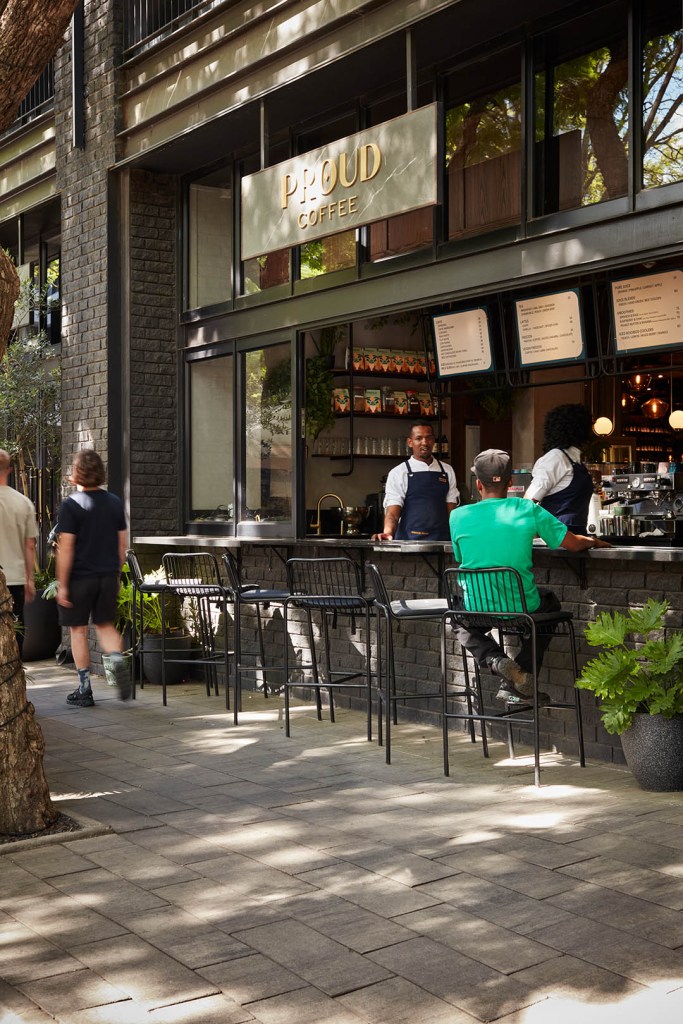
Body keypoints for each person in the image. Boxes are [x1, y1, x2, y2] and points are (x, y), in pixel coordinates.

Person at [450, 448, 610, 705]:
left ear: (478, 483)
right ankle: (517, 679)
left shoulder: (457, 516)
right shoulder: (527, 509)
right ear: (510, 482)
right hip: (521, 608)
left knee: (457, 617)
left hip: (477, 608)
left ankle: (496, 660)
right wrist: (595, 541)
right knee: (550, 606)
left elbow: (460, 555)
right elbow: (572, 543)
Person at [56, 449, 130, 706]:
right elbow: (122, 546)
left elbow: (66, 548)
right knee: (105, 625)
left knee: (78, 630)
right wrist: (117, 576)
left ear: (77, 473)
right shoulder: (114, 503)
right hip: (107, 575)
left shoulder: (71, 505)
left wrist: (63, 585)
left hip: (79, 579)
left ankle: (84, 689)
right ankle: (118, 663)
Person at [377, 422, 459, 541]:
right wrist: (387, 532)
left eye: (429, 438)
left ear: (433, 441)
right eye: (418, 438)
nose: (424, 443)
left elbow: (452, 511)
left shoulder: (447, 470)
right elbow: (392, 513)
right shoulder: (399, 472)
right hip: (409, 541)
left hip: (442, 540)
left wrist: (457, 537)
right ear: (410, 442)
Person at [524, 403, 594, 534]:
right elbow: (528, 504)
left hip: (576, 538)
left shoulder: (575, 461)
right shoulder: (555, 458)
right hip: (556, 541)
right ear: (579, 429)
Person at [0, 449, 38, 657]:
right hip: (13, 579)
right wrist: (30, 579)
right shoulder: (23, 503)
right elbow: (30, 545)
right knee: (15, 632)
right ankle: (14, 680)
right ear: (10, 470)